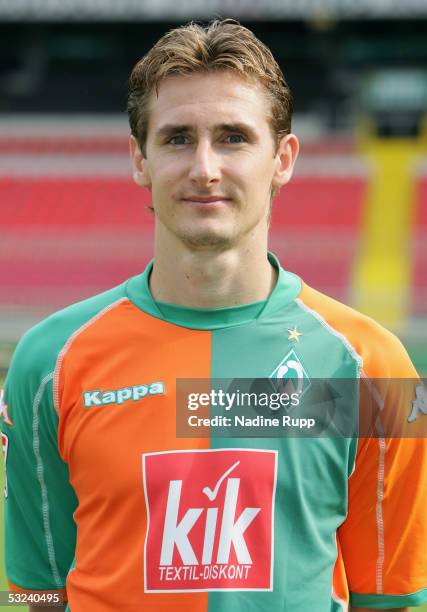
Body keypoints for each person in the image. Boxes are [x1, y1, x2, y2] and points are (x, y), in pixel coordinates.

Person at [1, 19, 426, 612]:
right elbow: (38, 593)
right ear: (139, 159)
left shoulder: (374, 368)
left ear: (282, 159)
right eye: (177, 138)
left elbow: (389, 599)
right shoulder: (50, 364)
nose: (204, 168)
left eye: (233, 137)